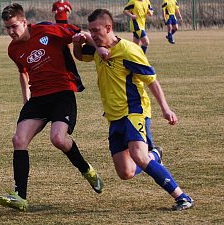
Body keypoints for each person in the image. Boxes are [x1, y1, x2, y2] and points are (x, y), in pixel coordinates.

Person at [72, 8, 194, 211]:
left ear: (108, 27)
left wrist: (165, 109)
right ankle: (154, 155)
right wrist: (77, 43)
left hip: (134, 110)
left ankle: (182, 197)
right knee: (126, 172)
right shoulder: (96, 48)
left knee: (138, 156)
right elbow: (79, 56)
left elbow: (152, 81)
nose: (92, 33)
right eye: (90, 30)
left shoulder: (129, 51)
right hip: (113, 116)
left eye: (96, 30)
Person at [0, 3, 103, 211]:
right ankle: (20, 196)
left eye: (14, 26)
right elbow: (23, 71)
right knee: (18, 139)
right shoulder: (13, 49)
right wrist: (26, 97)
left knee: (58, 139)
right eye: (7, 28)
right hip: (38, 98)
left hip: (62, 93)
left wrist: (99, 47)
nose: (11, 32)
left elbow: (78, 33)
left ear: (24, 22)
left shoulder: (46, 30)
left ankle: (87, 169)